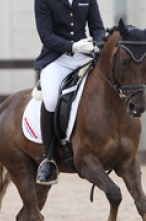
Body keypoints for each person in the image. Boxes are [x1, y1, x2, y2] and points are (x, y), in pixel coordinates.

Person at [34, 0, 105, 185]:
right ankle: (48, 159)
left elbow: (97, 28)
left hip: (84, 56)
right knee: (50, 100)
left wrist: (97, 44)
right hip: (56, 59)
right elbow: (46, 36)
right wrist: (72, 46)